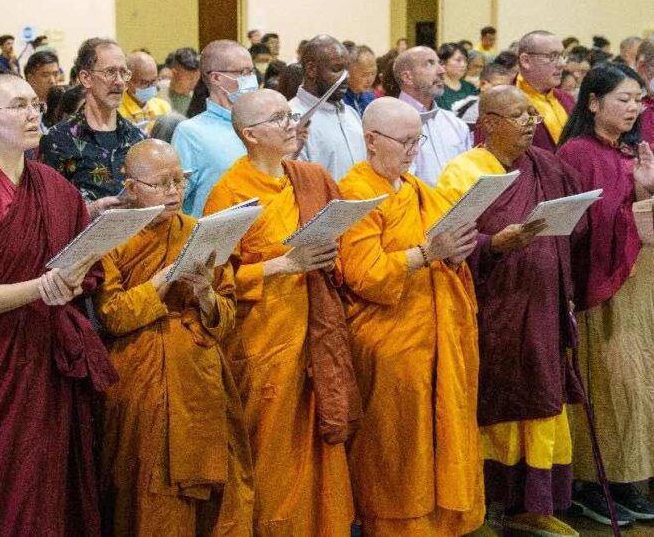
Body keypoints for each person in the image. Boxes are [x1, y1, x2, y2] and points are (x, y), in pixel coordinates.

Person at [0, 75, 115, 535]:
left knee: (56, 497)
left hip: (50, 360)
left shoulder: (56, 187)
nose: (34, 114)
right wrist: (44, 287)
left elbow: (85, 267)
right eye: (18, 105)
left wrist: (72, 282)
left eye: (35, 105)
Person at [435, 86, 591, 536]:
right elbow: (446, 244)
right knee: (495, 402)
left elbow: (576, 224)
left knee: (544, 401)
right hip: (493, 309)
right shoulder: (461, 173)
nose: (529, 123)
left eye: (532, 116)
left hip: (542, 305)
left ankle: (536, 503)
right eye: (519, 115)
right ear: (489, 122)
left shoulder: (546, 166)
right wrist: (493, 245)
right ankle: (488, 502)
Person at [204, 89, 358, 534]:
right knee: (270, 455)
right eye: (277, 118)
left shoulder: (308, 177)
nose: (291, 123)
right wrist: (283, 265)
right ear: (250, 134)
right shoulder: (229, 193)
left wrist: (331, 257)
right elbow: (216, 278)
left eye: (289, 115)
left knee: (319, 452)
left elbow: (342, 246)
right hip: (263, 344)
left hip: (317, 330)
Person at [337, 97, 484, 535]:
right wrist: (427, 254)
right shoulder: (354, 194)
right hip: (389, 341)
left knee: (442, 434)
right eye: (404, 141)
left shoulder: (420, 190)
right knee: (398, 445)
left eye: (417, 140)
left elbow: (447, 250)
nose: (413, 150)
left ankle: (441, 522)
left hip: (438, 333)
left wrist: (456, 253)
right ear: (371, 141)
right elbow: (364, 274)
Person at [97, 139, 254, 534]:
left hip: (201, 377)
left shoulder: (198, 231)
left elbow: (226, 317)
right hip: (143, 378)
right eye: (160, 183)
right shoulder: (112, 237)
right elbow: (113, 316)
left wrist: (204, 292)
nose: (172, 191)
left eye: (178, 181)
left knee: (221, 498)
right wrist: (162, 282)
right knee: (151, 496)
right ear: (130, 187)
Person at [557, 64, 654, 524]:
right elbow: (580, 228)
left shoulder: (629, 152)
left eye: (638, 99)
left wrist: (643, 190)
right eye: (623, 99)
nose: (634, 108)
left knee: (636, 386)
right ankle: (593, 482)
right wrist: (635, 201)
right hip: (598, 288)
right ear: (592, 102)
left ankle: (627, 477)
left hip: (637, 286)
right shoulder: (578, 153)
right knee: (608, 385)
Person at [40, 37, 145, 216]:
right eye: (110, 72)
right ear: (86, 78)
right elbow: (46, 213)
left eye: (124, 73)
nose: (119, 82)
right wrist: (89, 212)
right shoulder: (58, 140)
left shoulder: (138, 139)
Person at [171, 40, 256, 217]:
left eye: (251, 72)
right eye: (242, 72)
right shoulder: (190, 133)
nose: (250, 79)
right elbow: (176, 198)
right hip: (215, 237)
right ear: (216, 77)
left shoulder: (259, 124)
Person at [289, 34, 366, 181]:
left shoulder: (351, 113)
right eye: (337, 69)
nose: (346, 77)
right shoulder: (292, 117)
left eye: (347, 70)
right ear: (311, 69)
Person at [393, 46, 472, 186]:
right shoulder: (388, 123)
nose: (442, 71)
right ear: (407, 77)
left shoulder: (455, 124)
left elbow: (467, 177)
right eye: (430, 64)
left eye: (439, 63)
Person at [516, 31, 576, 152]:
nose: (562, 64)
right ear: (526, 61)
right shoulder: (503, 101)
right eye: (552, 56)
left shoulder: (566, 99)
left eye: (563, 56)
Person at [119, 50, 171, 130]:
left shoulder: (163, 107)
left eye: (154, 81)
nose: (150, 87)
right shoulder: (116, 111)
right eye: (144, 83)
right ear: (128, 81)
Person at [24, 49, 62, 123]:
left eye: (55, 74)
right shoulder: (24, 107)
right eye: (45, 75)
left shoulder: (64, 102)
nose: (52, 81)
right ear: (31, 78)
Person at [436, 43, 476, 110]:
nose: (463, 65)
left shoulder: (470, 87)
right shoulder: (436, 88)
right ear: (442, 62)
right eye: (458, 60)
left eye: (465, 61)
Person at [162, 47, 201, 116]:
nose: (194, 82)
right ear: (174, 73)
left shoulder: (199, 98)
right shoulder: (159, 98)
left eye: (197, 77)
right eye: (190, 78)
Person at [343, 44, 377, 115]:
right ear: (349, 72)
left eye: (373, 73)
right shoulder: (339, 100)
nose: (370, 80)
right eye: (365, 74)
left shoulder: (370, 98)